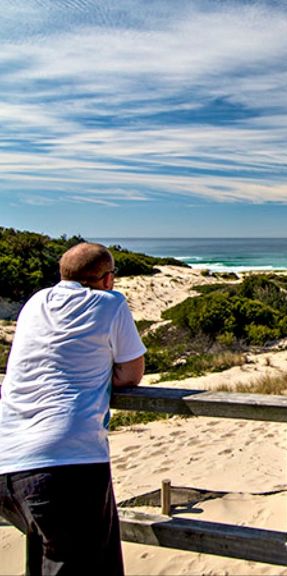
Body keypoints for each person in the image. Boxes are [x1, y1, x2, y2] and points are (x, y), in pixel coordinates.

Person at [0, 242, 145, 576]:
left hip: (9, 464)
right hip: (66, 464)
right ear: (107, 279)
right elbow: (131, 373)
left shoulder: (36, 302)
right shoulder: (110, 303)